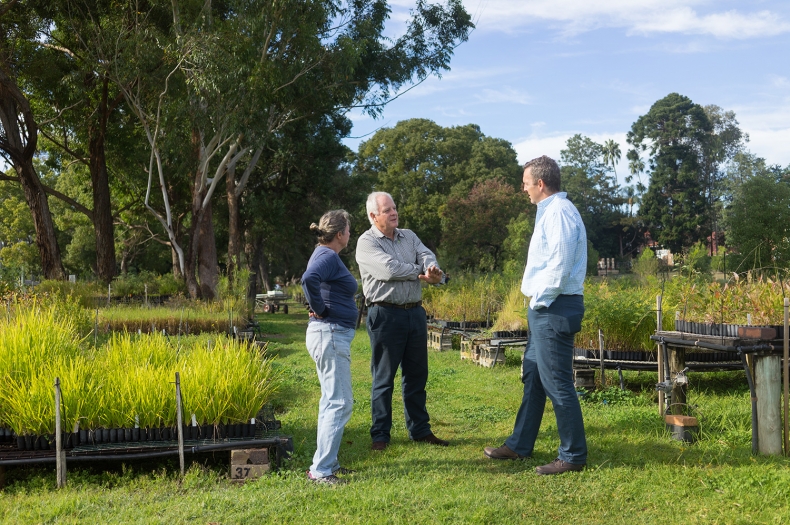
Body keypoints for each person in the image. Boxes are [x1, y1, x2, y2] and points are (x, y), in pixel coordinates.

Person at [484, 155, 588, 475]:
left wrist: (539, 303)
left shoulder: (559, 213)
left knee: (557, 383)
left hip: (552, 307)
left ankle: (572, 456)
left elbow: (558, 266)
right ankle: (519, 445)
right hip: (546, 308)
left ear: (540, 184)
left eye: (526, 183)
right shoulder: (550, 212)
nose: (524, 189)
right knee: (534, 377)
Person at [356, 191, 448, 451]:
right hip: (385, 314)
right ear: (374, 216)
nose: (394, 212)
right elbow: (388, 270)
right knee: (384, 378)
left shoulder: (409, 236)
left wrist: (431, 269)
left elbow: (426, 254)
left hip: (414, 313)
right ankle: (381, 435)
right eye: (387, 210)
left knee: (417, 375)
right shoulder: (366, 242)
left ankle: (420, 430)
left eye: (394, 207)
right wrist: (421, 273)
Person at [301, 210, 358, 485]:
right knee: (340, 402)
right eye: (349, 229)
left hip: (331, 335)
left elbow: (315, 281)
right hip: (330, 333)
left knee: (331, 401)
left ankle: (329, 464)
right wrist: (320, 308)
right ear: (340, 234)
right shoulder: (326, 255)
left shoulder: (325, 255)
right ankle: (321, 471)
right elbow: (308, 279)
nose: (350, 233)